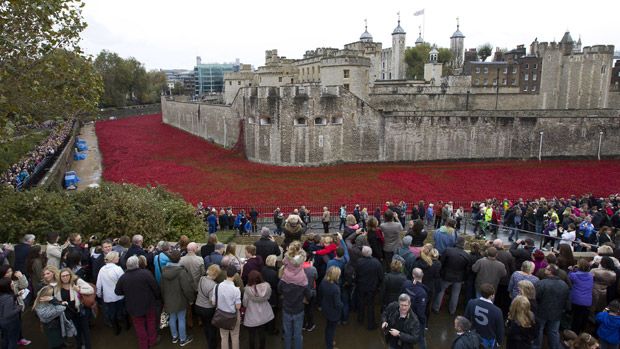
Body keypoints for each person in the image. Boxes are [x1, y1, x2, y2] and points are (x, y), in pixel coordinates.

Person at [115, 256, 160, 349]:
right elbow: (155, 287)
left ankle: (143, 345)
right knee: (151, 322)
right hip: (148, 304)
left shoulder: (123, 277)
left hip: (133, 306)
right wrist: (157, 298)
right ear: (137, 264)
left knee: (139, 326)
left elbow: (117, 291)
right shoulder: (146, 273)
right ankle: (152, 340)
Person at [161, 250, 195, 346]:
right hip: (180, 300)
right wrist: (191, 299)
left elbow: (162, 287)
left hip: (168, 299)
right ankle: (183, 339)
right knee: (181, 319)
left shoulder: (164, 271)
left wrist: (164, 299)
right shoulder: (181, 272)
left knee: (172, 318)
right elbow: (187, 288)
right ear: (179, 259)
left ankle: (174, 337)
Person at [533, 265, 570, 349]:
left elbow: (535, 297)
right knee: (553, 331)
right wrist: (565, 309)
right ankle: (554, 347)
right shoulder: (564, 284)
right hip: (557, 312)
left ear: (550, 272)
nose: (544, 269)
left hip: (541, 312)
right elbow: (567, 299)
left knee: (539, 330)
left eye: (547, 269)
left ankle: (536, 346)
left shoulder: (541, 283)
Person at [56, 268, 94, 349]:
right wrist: (61, 303)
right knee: (76, 332)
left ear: (70, 275)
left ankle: (88, 346)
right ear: (60, 277)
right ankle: (79, 346)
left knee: (85, 331)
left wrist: (79, 289)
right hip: (69, 313)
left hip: (80, 311)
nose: (65, 277)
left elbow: (91, 290)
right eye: (63, 276)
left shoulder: (77, 281)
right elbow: (56, 300)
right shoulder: (58, 287)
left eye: (67, 275)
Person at [279, 259, 311, 349]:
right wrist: (304, 298)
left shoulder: (284, 278)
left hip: (287, 309)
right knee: (297, 334)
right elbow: (309, 294)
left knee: (287, 334)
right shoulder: (303, 279)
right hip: (298, 310)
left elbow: (279, 288)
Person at [435, 236, 471, 315]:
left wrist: (441, 272)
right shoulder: (466, 255)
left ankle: (436, 308)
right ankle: (452, 310)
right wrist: (464, 279)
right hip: (458, 278)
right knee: (455, 294)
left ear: (456, 242)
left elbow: (441, 262)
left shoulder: (448, 250)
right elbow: (467, 269)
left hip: (446, 276)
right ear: (463, 244)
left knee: (441, 291)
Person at [464, 283, 504, 349]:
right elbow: (500, 329)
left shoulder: (471, 302)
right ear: (492, 296)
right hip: (488, 341)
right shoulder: (497, 311)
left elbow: (465, 319)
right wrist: (499, 342)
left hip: (473, 336)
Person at [95, 251, 127, 335]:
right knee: (122, 311)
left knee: (112, 313)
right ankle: (126, 325)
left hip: (108, 297)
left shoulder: (102, 269)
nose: (118, 258)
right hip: (119, 295)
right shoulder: (118, 269)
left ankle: (116, 329)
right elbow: (123, 282)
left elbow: (98, 284)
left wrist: (99, 294)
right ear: (113, 259)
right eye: (117, 257)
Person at [243, 270, 274, 349]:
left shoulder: (247, 290)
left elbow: (245, 303)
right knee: (262, 333)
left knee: (251, 335)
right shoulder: (266, 287)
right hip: (263, 315)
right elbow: (269, 297)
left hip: (252, 315)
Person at [213, 265, 242, 349]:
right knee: (235, 336)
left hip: (221, 315)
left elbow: (213, 302)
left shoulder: (217, 286)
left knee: (224, 337)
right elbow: (238, 306)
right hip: (233, 316)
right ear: (235, 275)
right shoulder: (236, 290)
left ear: (226, 274)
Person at [355, 245, 384, 330]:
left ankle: (360, 319)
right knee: (370, 305)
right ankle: (370, 324)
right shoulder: (376, 262)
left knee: (361, 302)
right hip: (372, 287)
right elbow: (381, 276)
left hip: (361, 286)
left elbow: (356, 273)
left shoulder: (359, 261)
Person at [401, 268, 429, 349]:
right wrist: (423, 321)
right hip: (416, 318)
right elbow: (421, 311)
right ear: (422, 275)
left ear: (413, 275)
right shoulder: (422, 292)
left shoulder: (406, 283)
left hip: (406, 314)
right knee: (421, 338)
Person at [195, 264, 220, 349]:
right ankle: (212, 345)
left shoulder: (202, 278)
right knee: (211, 328)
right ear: (216, 274)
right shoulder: (213, 285)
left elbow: (198, 290)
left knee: (205, 325)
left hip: (198, 306)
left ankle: (208, 340)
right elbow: (212, 301)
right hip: (207, 309)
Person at [320, 266, 344, 349]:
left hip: (325, 307)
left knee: (328, 327)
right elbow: (337, 303)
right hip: (333, 312)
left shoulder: (323, 282)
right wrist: (342, 305)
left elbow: (320, 293)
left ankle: (329, 341)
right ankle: (329, 346)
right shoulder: (335, 288)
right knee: (331, 329)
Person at [568, 259, 594, 334]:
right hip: (587, 300)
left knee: (576, 317)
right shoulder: (591, 276)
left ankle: (574, 333)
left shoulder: (574, 275)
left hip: (576, 299)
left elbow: (569, 277)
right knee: (583, 316)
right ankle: (582, 330)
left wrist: (571, 269)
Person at [261, 255, 280, 335]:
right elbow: (277, 286)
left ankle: (265, 327)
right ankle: (271, 329)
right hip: (272, 295)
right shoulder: (274, 273)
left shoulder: (263, 270)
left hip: (263, 294)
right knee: (272, 313)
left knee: (264, 311)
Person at [0, 278, 20, 349]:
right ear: (7, 286)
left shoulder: (2, 295)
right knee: (13, 340)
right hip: (10, 322)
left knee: (5, 338)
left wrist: (17, 295)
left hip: (2, 322)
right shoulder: (8, 298)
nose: (13, 284)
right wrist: (19, 307)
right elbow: (8, 314)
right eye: (11, 283)